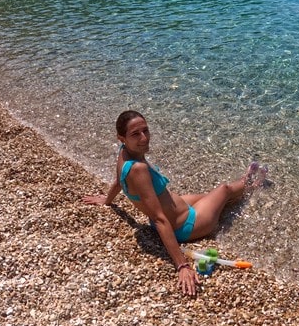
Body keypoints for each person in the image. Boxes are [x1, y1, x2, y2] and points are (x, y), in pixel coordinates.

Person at [83, 110, 267, 295]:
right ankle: (249, 184)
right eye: (135, 134)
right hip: (186, 226)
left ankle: (243, 187)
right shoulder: (138, 170)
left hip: (178, 209)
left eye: (145, 130)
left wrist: (107, 201)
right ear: (121, 138)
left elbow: (117, 181)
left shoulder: (125, 154)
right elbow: (159, 218)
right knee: (224, 190)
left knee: (210, 196)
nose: (144, 138)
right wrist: (182, 265)